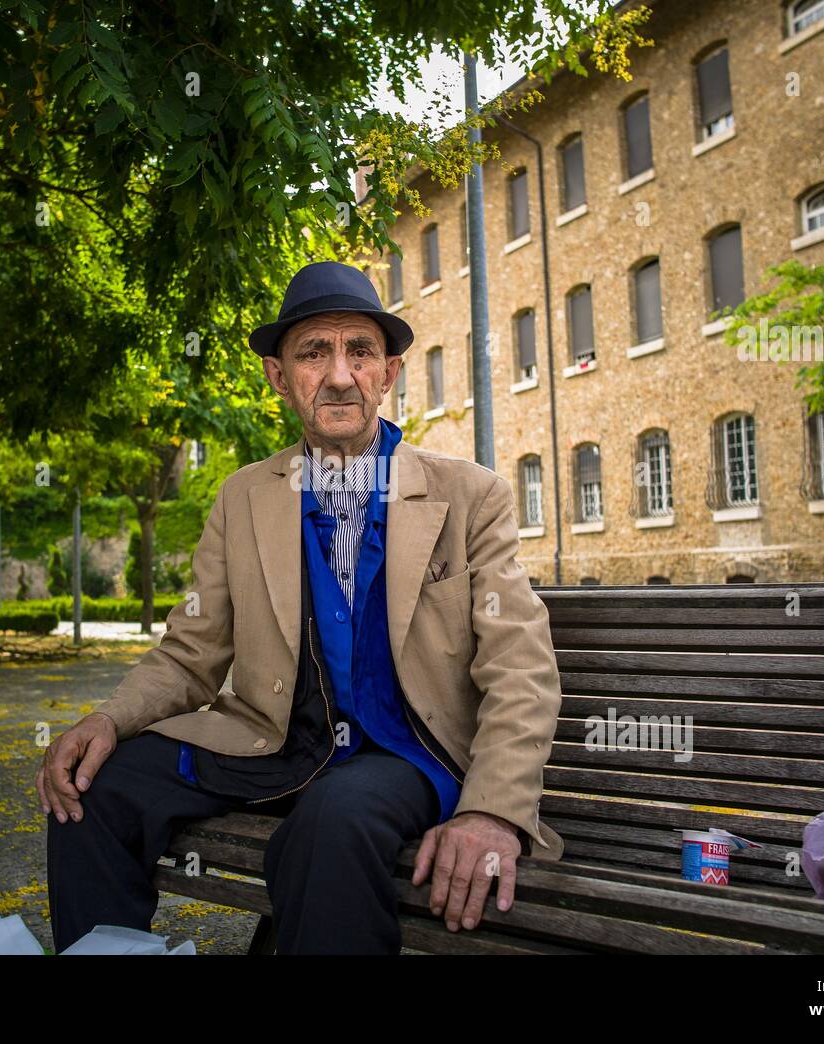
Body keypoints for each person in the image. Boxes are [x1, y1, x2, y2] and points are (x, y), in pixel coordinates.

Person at [40, 260, 564, 954]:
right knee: (93, 787)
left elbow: (521, 666)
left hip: (405, 754)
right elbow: (190, 653)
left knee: (331, 821)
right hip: (274, 746)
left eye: (361, 352)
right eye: (315, 352)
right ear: (280, 377)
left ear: (389, 373)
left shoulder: (471, 496)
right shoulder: (243, 497)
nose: (340, 374)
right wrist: (109, 719)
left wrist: (494, 811)